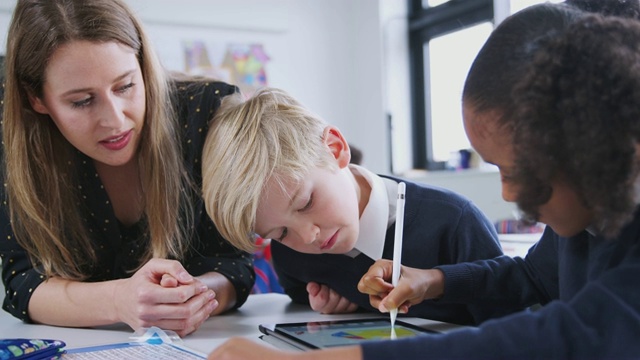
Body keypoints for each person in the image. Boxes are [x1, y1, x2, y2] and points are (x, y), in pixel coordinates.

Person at [208, 1, 640, 359]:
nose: (508, 192)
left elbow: (573, 335)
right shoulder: (590, 216)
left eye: (516, 170)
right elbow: (531, 277)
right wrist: (433, 280)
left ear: (590, 141)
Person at [0, 0, 254, 337]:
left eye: (125, 86)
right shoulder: (14, 139)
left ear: (143, 65)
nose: (115, 120)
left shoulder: (204, 113)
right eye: (82, 101)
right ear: (37, 100)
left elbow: (233, 263)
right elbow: (24, 282)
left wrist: (193, 297)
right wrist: (119, 300)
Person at [201, 87, 507, 325]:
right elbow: (297, 292)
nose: (307, 237)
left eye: (306, 203)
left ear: (335, 149)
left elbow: (513, 325)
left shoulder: (453, 224)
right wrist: (326, 301)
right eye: (280, 232)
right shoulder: (292, 253)